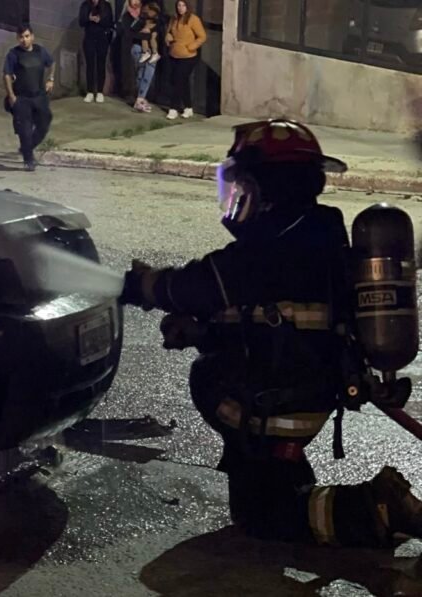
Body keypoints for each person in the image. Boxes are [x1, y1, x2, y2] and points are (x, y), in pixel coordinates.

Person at [121, 118, 422, 548]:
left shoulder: (273, 246)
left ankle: (378, 507)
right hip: (304, 385)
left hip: (283, 398)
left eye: (242, 184)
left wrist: (143, 286)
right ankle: (287, 476)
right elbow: (269, 319)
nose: (236, 195)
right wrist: (203, 331)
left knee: (264, 517)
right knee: (259, 497)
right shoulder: (313, 234)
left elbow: (201, 285)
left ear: (266, 189)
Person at [3, 23, 55, 172]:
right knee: (24, 130)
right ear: (17, 38)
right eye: (21, 37)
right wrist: (11, 96)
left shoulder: (40, 52)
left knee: (44, 123)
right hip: (21, 98)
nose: (24, 40)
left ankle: (27, 147)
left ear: (32, 36)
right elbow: (6, 75)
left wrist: (50, 79)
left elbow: (51, 63)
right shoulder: (13, 54)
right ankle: (28, 160)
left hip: (38, 96)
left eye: (26, 36)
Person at [116, 0, 162, 113]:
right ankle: (140, 98)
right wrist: (145, 34)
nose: (135, 2)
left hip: (151, 48)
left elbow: (158, 30)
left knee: (147, 71)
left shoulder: (149, 13)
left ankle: (140, 98)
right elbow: (129, 33)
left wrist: (149, 34)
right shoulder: (127, 16)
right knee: (144, 70)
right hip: (136, 47)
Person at [165, 0, 206, 119]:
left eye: (183, 5)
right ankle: (188, 107)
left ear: (187, 7)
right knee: (182, 81)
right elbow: (169, 32)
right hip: (174, 54)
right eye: (179, 5)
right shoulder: (174, 18)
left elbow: (202, 36)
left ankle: (173, 108)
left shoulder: (193, 19)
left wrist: (191, 46)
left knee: (178, 80)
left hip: (188, 56)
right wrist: (168, 37)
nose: (181, 8)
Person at [79, 0, 114, 104]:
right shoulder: (85, 5)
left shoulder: (106, 6)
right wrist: (88, 18)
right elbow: (81, 22)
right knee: (90, 64)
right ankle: (90, 91)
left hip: (102, 38)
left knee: (101, 64)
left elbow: (110, 23)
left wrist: (100, 20)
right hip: (89, 37)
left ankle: (99, 92)